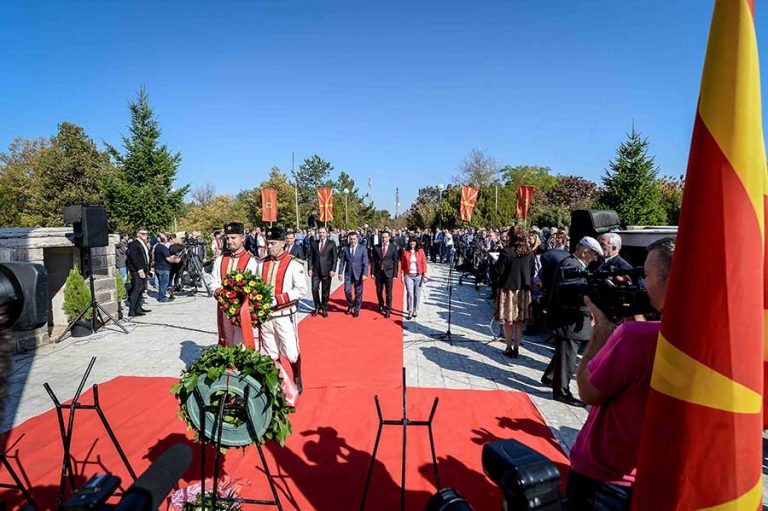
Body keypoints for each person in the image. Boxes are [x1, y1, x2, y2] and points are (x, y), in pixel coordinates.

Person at [566, 237, 675, 510]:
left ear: (672, 281)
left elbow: (587, 391)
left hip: (607, 478)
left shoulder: (637, 339)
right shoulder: (706, 341)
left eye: (646, 274)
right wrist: (631, 313)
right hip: (658, 476)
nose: (642, 282)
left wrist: (601, 331)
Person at [543, 236, 603, 406]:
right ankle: (561, 391)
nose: (593, 259)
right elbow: (572, 297)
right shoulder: (572, 265)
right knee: (568, 354)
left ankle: (550, 377)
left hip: (568, 318)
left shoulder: (571, 263)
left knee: (564, 351)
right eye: (593, 255)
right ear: (584, 252)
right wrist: (590, 310)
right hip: (569, 318)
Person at [259, 227, 308, 394]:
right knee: (271, 352)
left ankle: (297, 376)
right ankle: (279, 381)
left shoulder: (293, 264)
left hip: (284, 314)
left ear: (282, 243)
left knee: (291, 351)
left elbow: (301, 290)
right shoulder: (262, 263)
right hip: (266, 316)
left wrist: (278, 299)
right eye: (268, 243)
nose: (269, 246)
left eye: (273, 243)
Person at [211, 222, 261, 346]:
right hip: (224, 308)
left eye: (233, 238)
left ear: (242, 238)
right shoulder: (220, 260)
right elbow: (214, 281)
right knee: (227, 342)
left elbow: (257, 286)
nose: (229, 241)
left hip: (243, 311)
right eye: (227, 238)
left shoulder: (253, 261)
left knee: (243, 343)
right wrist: (222, 294)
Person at [493, 227, 535, 358]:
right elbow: (532, 271)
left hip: (508, 289)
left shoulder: (506, 251)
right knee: (519, 321)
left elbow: (498, 270)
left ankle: (508, 347)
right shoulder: (529, 253)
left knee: (508, 320)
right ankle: (516, 347)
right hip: (523, 290)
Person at [307, 226, 337, 318]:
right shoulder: (313, 243)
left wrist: (333, 269)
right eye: (320, 232)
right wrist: (309, 268)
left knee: (325, 291)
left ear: (326, 233)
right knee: (314, 289)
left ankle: (324, 308)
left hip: (327, 271)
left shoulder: (331, 243)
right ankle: (317, 306)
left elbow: (335, 258)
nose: (321, 234)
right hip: (316, 271)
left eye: (323, 232)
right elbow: (310, 257)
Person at [338, 231, 369, 317]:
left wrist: (365, 274)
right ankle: (350, 305)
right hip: (348, 273)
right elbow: (342, 261)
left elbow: (365, 262)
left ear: (357, 239)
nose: (352, 241)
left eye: (354, 239)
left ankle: (356, 309)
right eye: (351, 239)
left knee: (358, 293)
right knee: (347, 290)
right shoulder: (345, 248)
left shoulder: (362, 248)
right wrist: (340, 273)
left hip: (358, 273)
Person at [371, 231, 399, 318]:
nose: (384, 239)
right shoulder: (376, 247)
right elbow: (373, 260)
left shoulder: (393, 247)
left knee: (388, 292)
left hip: (389, 272)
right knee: (379, 290)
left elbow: (395, 261)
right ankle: (381, 304)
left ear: (389, 237)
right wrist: (372, 272)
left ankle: (388, 309)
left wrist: (395, 274)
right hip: (379, 272)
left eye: (386, 237)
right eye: (383, 237)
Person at [399, 237, 428, 320]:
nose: (412, 243)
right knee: (410, 293)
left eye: (414, 242)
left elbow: (424, 263)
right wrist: (402, 275)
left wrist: (425, 275)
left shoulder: (420, 251)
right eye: (411, 242)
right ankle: (410, 310)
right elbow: (403, 264)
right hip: (408, 275)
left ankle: (415, 309)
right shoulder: (405, 251)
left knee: (417, 294)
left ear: (416, 243)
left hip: (418, 275)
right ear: (409, 243)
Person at [126, 228, 151, 317]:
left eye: (146, 234)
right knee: (137, 288)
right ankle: (132, 310)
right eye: (143, 234)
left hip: (144, 268)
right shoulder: (134, 244)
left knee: (141, 288)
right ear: (138, 234)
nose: (145, 235)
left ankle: (138, 307)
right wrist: (139, 269)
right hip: (137, 270)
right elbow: (134, 257)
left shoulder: (143, 243)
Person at [153, 234, 180, 303]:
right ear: (163, 239)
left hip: (158, 267)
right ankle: (162, 297)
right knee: (164, 284)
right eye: (165, 237)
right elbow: (168, 259)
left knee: (161, 283)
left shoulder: (157, 247)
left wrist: (172, 256)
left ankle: (161, 295)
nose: (167, 238)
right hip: (164, 268)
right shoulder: (163, 248)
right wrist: (176, 260)